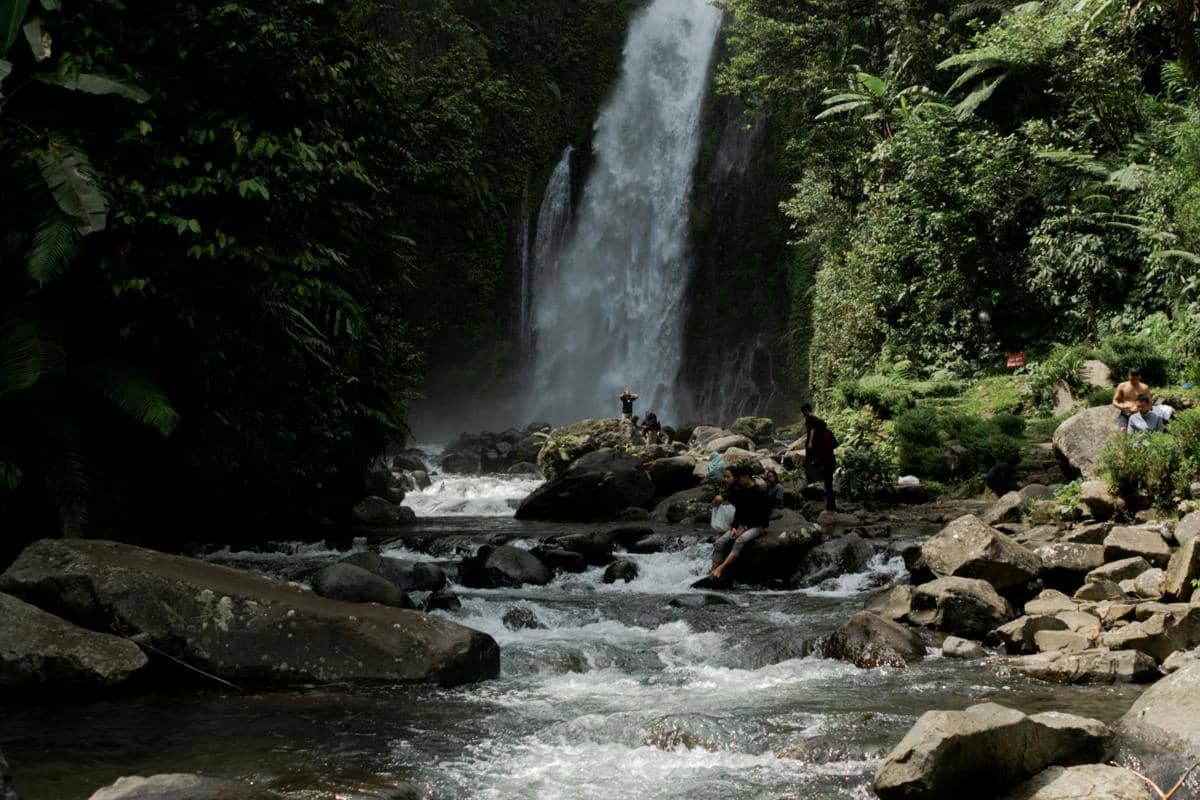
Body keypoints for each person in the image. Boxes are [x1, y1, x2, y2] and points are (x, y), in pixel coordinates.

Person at [710, 463, 773, 579]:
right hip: (742, 526)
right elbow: (739, 512)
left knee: (740, 540)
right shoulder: (742, 491)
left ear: (746, 477)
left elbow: (763, 517)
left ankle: (721, 569)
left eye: (738, 478)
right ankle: (712, 573)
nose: (737, 480)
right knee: (719, 543)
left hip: (758, 526)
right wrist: (734, 527)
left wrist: (744, 528)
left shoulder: (761, 493)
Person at [802, 403, 837, 511]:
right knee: (829, 483)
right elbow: (835, 445)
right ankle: (831, 505)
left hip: (825, 463)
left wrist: (816, 459)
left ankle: (830, 507)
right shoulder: (829, 433)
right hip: (831, 461)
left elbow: (820, 452)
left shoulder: (819, 437)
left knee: (827, 485)